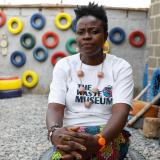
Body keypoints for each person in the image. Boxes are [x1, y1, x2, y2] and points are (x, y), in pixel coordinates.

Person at [46, 2, 134, 160]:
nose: (86, 36)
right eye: (81, 32)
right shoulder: (64, 65)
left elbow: (121, 112)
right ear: (77, 36)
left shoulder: (120, 67)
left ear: (105, 36)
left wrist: (99, 140)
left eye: (94, 31)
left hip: (108, 134)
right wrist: (54, 132)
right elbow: (55, 108)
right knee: (69, 153)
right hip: (72, 133)